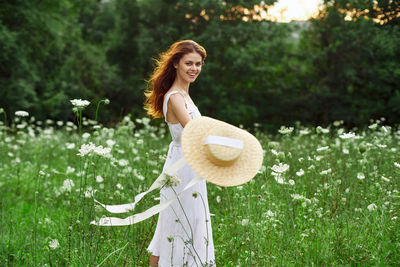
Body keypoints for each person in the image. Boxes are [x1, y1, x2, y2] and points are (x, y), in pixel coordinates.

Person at [144, 40, 215, 267]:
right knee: (177, 225)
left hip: (189, 164)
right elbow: (194, 132)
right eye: (188, 63)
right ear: (176, 63)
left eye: (198, 64)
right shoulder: (175, 97)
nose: (194, 69)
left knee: (175, 225)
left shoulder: (184, 95)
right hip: (182, 169)